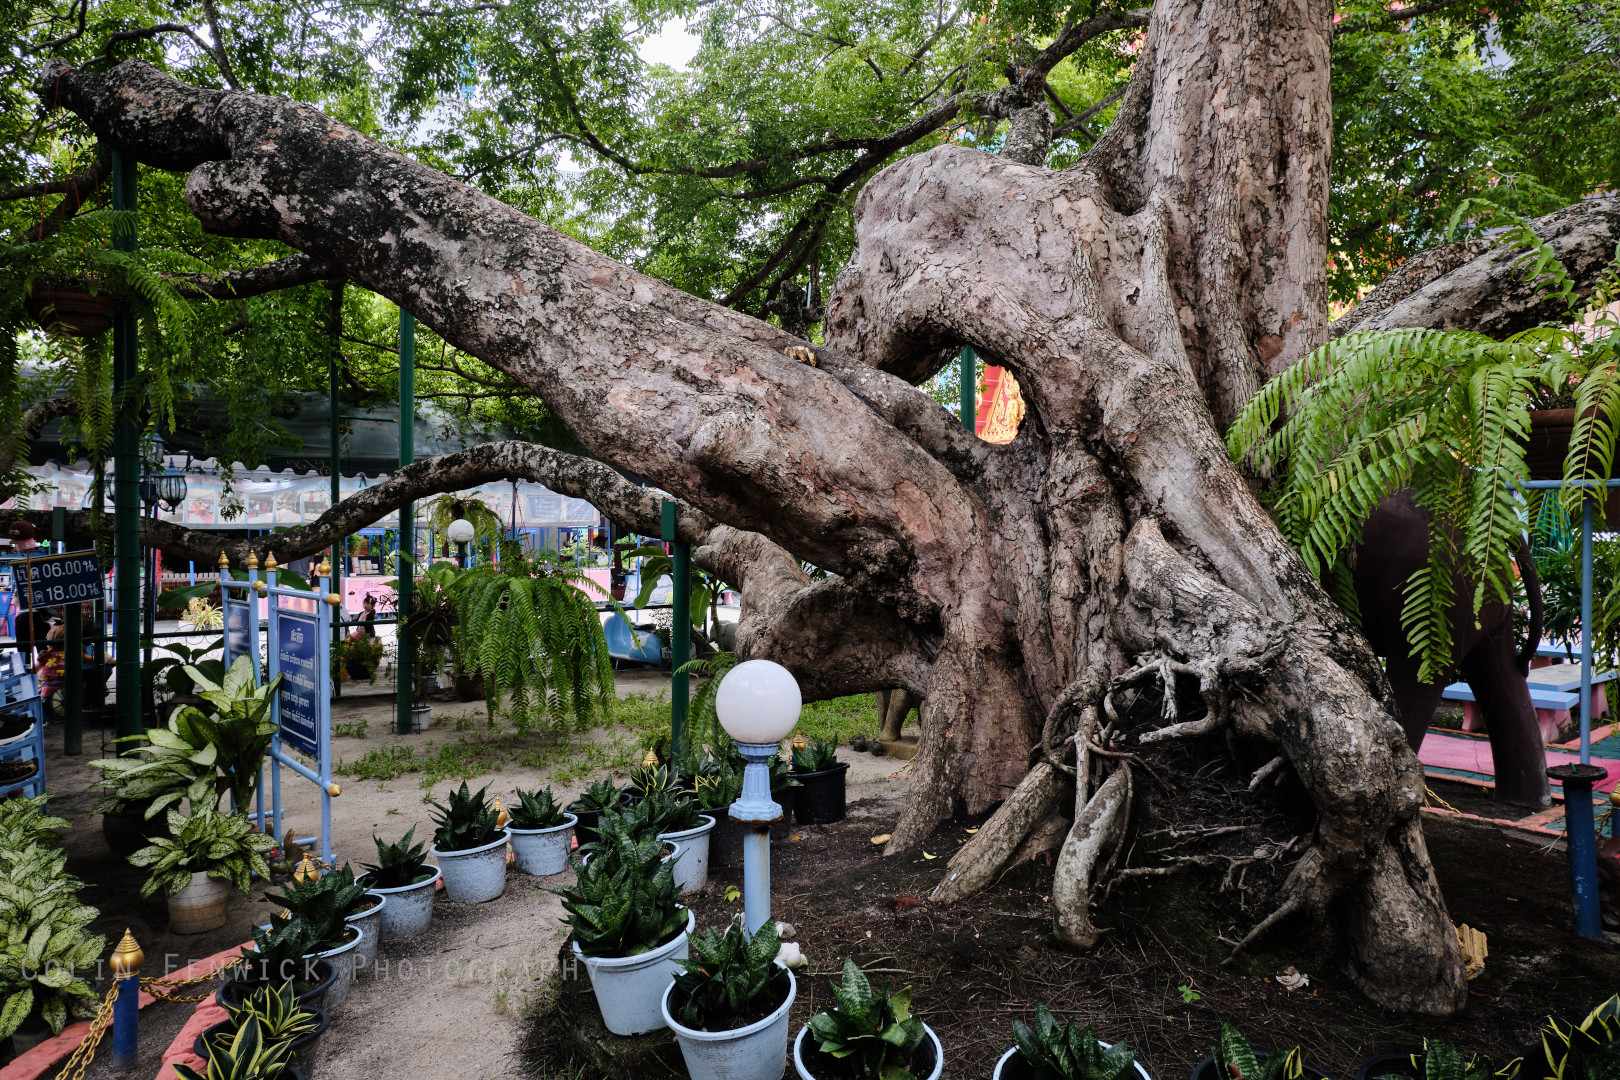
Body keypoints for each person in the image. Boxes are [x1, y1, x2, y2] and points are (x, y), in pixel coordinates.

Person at [33, 623, 65, 720]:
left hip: (46, 685)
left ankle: (45, 718)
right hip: (65, 684)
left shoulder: (47, 655)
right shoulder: (69, 653)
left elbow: (35, 669)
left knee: (39, 691)